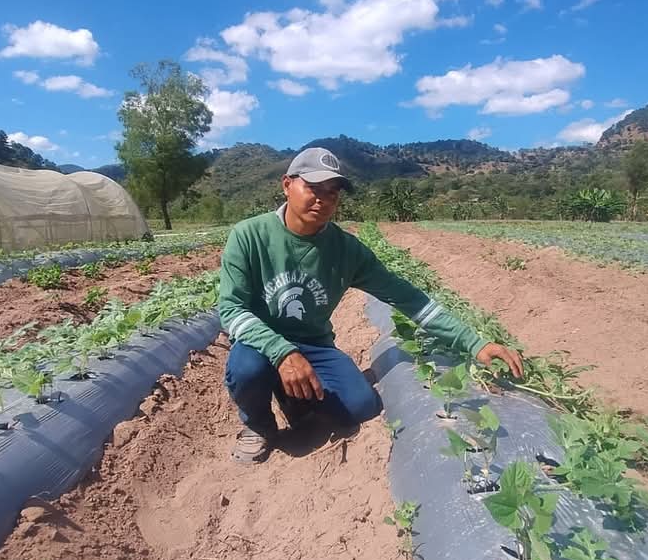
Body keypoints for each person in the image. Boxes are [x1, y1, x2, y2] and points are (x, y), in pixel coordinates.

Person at [218, 147, 525, 463]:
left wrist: (475, 343)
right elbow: (230, 309)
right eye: (312, 188)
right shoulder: (249, 236)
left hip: (313, 344)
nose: (322, 199)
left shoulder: (346, 250)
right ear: (287, 185)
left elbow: (409, 298)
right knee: (247, 370)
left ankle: (293, 397)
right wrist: (282, 352)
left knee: (360, 407)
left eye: (332, 193)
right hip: (260, 343)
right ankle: (259, 426)